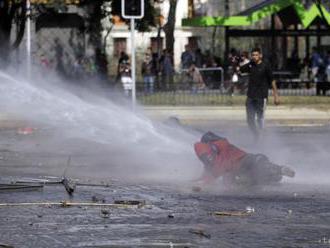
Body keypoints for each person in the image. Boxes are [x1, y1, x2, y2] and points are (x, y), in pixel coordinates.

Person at [193, 132, 295, 189]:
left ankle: (277, 170)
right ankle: (277, 171)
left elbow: (213, 168)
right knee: (256, 174)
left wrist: (203, 182)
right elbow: (209, 170)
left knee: (241, 180)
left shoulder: (212, 147)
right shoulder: (224, 144)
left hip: (245, 164)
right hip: (249, 162)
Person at [239, 48, 280, 140]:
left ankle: (262, 137)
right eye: (253, 55)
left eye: (256, 55)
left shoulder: (266, 66)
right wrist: (237, 61)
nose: (254, 57)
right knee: (250, 120)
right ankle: (256, 134)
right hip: (250, 96)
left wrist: (276, 96)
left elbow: (272, 81)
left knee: (260, 119)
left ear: (260, 55)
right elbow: (240, 70)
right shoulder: (250, 65)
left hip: (261, 96)